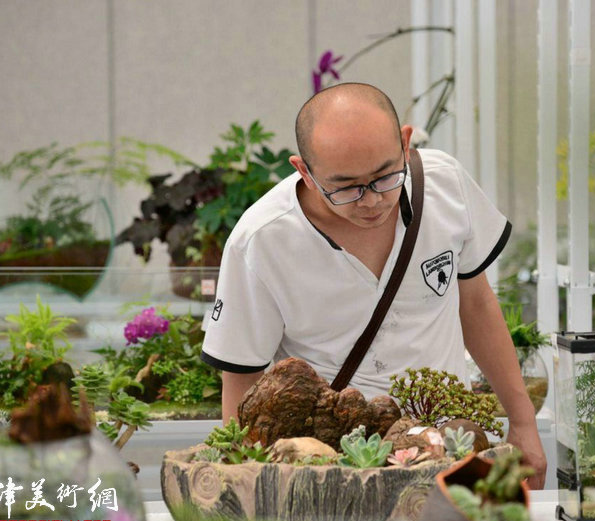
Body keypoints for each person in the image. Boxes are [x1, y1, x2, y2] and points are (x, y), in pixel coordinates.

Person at [200, 82, 547, 488]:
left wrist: (523, 424)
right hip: (331, 469)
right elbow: (242, 379)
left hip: (450, 445)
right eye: (345, 186)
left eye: (384, 176)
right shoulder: (261, 240)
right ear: (304, 172)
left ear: (405, 144)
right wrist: (243, 485)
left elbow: (476, 306)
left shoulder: (445, 185)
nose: (370, 201)